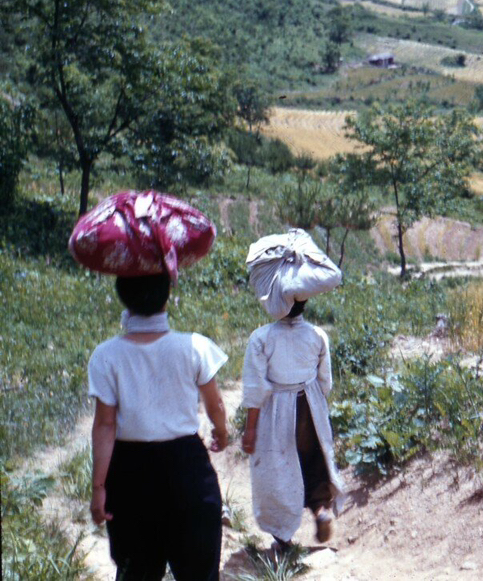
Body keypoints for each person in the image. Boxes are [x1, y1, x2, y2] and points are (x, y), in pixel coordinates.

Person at [89, 271, 229, 580]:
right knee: (199, 570)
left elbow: (104, 426)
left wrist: (99, 487)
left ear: (122, 297)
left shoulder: (106, 355)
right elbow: (215, 405)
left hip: (129, 476)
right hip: (187, 470)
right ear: (167, 297)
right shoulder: (194, 346)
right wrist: (221, 432)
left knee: (137, 571)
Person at [241, 231, 345, 550]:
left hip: (276, 412)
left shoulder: (261, 338)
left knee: (278, 471)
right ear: (305, 299)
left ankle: (283, 537)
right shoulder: (317, 336)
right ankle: (321, 510)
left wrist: (250, 429)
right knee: (313, 462)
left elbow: (256, 388)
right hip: (309, 407)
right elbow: (325, 383)